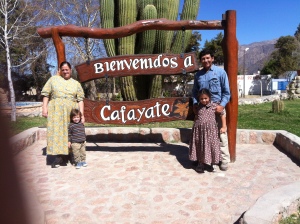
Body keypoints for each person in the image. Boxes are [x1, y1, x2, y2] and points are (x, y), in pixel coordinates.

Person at [192, 48, 231, 171]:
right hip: (203, 110)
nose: (206, 60)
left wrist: (222, 105)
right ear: (201, 60)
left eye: (208, 58)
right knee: (202, 136)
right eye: (203, 58)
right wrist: (195, 104)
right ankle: (202, 158)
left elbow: (227, 92)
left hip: (216, 109)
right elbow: (194, 92)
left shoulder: (220, 72)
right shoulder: (198, 75)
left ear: (212, 58)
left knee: (221, 135)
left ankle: (223, 160)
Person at [42, 61, 85, 168]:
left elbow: (80, 100)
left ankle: (71, 154)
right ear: (60, 70)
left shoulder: (76, 83)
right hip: (56, 110)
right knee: (57, 131)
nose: (65, 71)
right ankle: (59, 156)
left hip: (71, 111)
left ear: (70, 70)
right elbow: (46, 94)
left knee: (71, 131)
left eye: (67, 69)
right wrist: (44, 108)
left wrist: (82, 115)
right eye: (63, 69)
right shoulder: (53, 79)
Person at [189, 88, 226, 173]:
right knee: (200, 146)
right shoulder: (198, 107)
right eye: (201, 99)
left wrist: (224, 126)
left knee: (212, 146)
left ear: (209, 97)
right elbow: (196, 116)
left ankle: (213, 162)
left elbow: (222, 114)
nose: (204, 100)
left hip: (211, 132)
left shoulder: (214, 106)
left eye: (205, 98)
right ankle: (200, 163)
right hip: (199, 131)